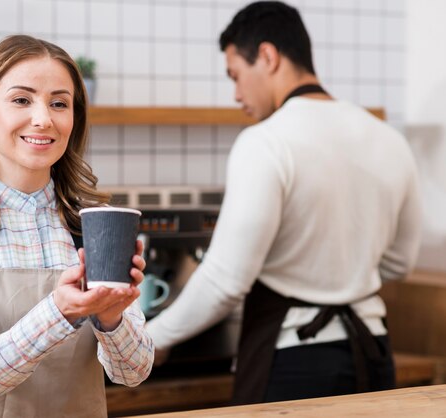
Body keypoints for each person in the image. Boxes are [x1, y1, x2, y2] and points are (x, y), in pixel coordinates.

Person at [146, 0, 421, 405]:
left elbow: (225, 281)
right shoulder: (389, 139)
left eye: (236, 75)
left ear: (268, 56)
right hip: (373, 352)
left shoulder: (266, 141)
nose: (236, 94)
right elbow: (400, 263)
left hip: (297, 362)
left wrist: (148, 339)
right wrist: (340, 271)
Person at [0, 35, 153, 418]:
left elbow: (134, 373)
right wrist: (59, 312)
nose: (43, 118)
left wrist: (112, 319)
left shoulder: (96, 227)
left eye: (59, 103)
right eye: (22, 100)